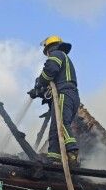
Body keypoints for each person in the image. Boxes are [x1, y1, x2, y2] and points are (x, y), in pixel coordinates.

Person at [28, 35, 80, 165]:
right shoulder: (64, 58)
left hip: (64, 94)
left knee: (61, 123)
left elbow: (50, 70)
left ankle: (72, 152)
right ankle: (54, 157)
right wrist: (39, 91)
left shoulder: (57, 54)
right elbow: (51, 81)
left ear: (49, 48)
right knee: (54, 128)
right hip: (70, 95)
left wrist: (40, 82)